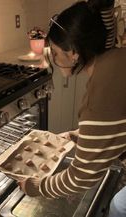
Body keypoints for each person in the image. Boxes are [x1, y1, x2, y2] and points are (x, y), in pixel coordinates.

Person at [19, 0, 126, 216]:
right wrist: (79, 135)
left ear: (74, 53)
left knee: (117, 208)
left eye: (56, 53)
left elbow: (81, 177)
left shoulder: (100, 95)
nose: (54, 59)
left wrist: (35, 186)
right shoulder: (116, 58)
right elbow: (116, 126)